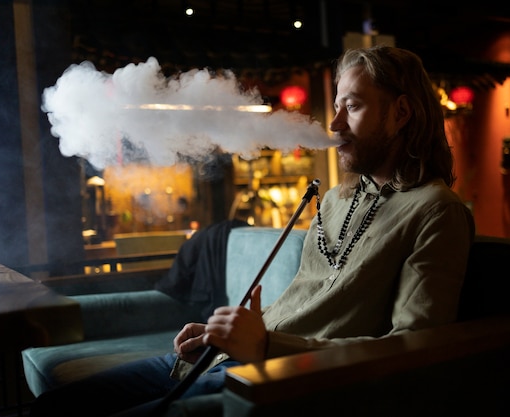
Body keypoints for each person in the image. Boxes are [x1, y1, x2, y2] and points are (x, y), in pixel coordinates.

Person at [29, 45, 475, 417]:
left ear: (400, 113)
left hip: (287, 379)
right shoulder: (338, 199)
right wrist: (221, 334)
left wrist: (264, 344)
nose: (335, 124)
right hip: (228, 359)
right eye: (336, 106)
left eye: (353, 106)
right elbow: (305, 304)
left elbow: (413, 350)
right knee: (57, 406)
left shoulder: (436, 212)